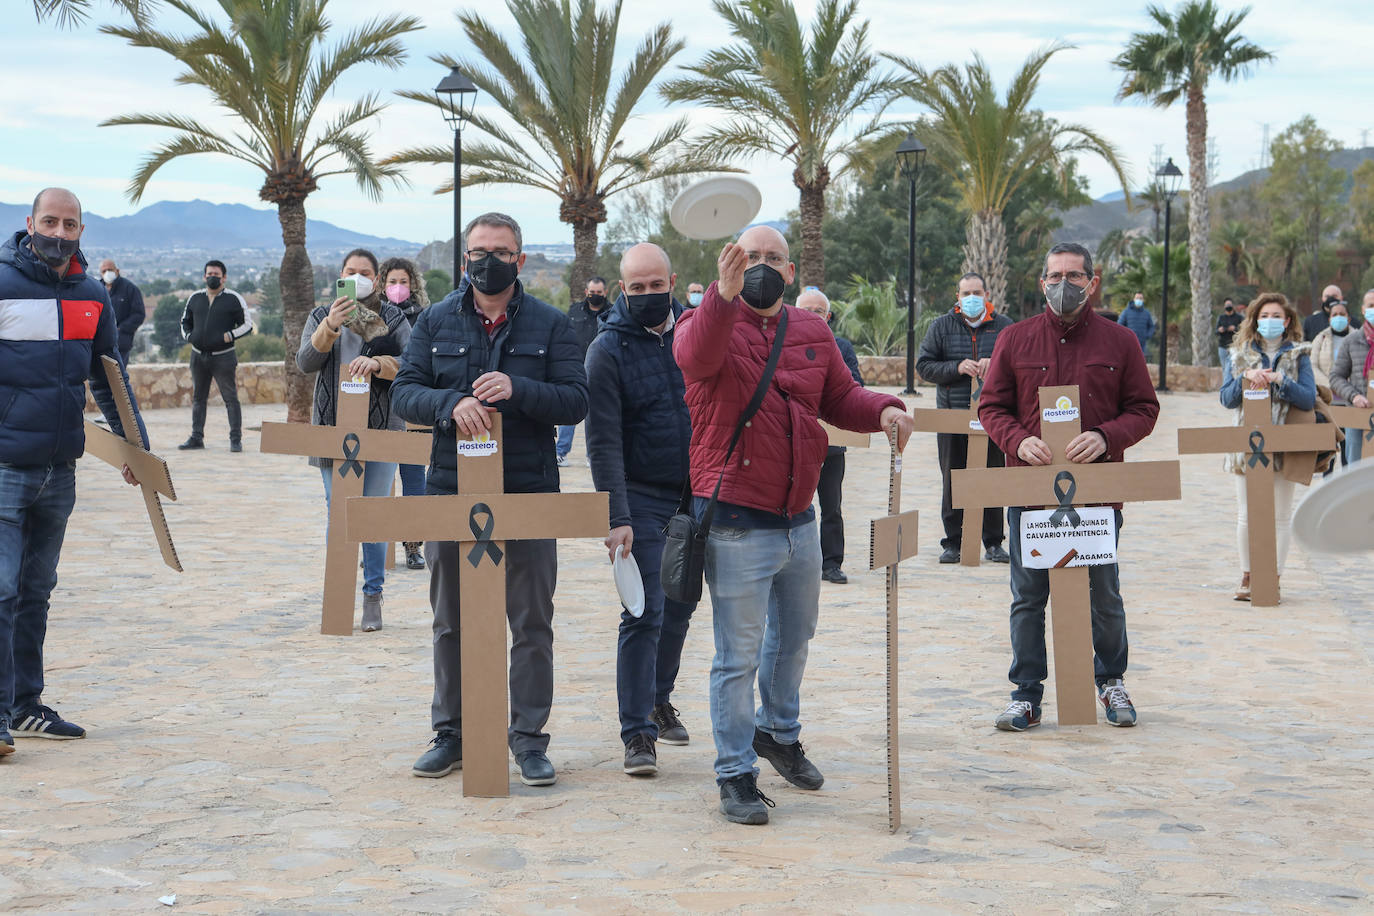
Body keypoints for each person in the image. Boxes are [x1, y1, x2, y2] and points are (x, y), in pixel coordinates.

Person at [674, 225, 912, 826]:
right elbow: (695, 359)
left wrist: (885, 408)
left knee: (795, 638)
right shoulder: (704, 321)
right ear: (731, 263)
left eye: (772, 258)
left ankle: (777, 732)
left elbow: (841, 398)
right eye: (750, 257)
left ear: (790, 268)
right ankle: (734, 772)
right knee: (738, 654)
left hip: (798, 519)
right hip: (734, 517)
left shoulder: (812, 331)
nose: (761, 267)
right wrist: (721, 299)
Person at [392, 212, 588, 788]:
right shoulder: (432, 321)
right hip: (451, 491)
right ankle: (450, 734)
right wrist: (450, 404)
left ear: (520, 260)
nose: (489, 260)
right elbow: (406, 391)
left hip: (529, 492)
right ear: (463, 260)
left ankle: (528, 740)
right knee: (449, 621)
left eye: (501, 251)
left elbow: (576, 399)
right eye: (479, 251)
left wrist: (520, 390)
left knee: (532, 622)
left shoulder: (551, 326)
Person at [979, 242, 1159, 733]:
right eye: (1055, 275)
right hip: (1031, 496)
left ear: (1092, 282)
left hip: (1098, 496)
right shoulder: (1015, 340)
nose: (1064, 284)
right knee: (1027, 596)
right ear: (1042, 282)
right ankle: (1026, 695)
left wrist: (1105, 436)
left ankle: (1111, 681)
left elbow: (1145, 409)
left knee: (1104, 593)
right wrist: (1018, 441)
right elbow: (990, 408)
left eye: (1075, 276)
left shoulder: (1120, 342)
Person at [1, 188, 147, 756]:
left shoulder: (92, 297)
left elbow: (112, 380)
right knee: (2, 589)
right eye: (49, 221)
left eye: (70, 224)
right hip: (6, 467)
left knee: (35, 591)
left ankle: (26, 706)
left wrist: (138, 449)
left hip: (60, 470)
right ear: (29, 222)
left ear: (81, 230)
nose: (58, 233)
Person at [585, 243, 697, 778]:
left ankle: (659, 697)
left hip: (699, 492)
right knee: (643, 611)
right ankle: (637, 734)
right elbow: (602, 441)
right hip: (641, 495)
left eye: (657, 286)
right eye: (637, 288)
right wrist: (617, 515)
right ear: (622, 288)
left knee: (680, 606)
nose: (648, 295)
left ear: (672, 281)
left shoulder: (697, 333)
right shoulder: (606, 350)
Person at [297, 249, 410, 632]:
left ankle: (373, 594)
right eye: (351, 272)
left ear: (376, 279)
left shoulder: (392, 319)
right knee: (340, 514)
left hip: (380, 431)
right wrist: (329, 325)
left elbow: (413, 364)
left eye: (365, 273)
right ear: (339, 276)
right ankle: (339, 591)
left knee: (373, 516)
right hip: (333, 433)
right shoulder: (320, 315)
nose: (358, 277)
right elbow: (305, 362)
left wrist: (380, 365)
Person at [1221, 293, 1316, 602]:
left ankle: (1273, 576)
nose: (1271, 321)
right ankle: (1248, 574)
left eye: (1277, 316)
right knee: (1246, 512)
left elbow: (1307, 398)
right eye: (1265, 315)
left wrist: (1279, 380)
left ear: (1287, 321)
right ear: (1255, 320)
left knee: (1281, 515)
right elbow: (1226, 399)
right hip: (1246, 442)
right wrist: (1246, 377)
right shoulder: (1238, 354)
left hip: (1285, 441)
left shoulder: (1300, 355)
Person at [916, 272, 1015, 565]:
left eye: (977, 292)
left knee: (992, 477)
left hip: (994, 417)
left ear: (987, 295)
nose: (972, 298)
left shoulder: (1005, 327)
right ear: (957, 298)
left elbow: (1018, 366)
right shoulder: (941, 327)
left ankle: (994, 542)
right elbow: (924, 366)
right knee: (953, 479)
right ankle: (953, 543)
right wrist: (957, 367)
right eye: (966, 293)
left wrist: (994, 364)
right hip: (952, 416)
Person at [796, 287, 863, 583]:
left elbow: (853, 385)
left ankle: (831, 563)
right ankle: (798, 563)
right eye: (807, 311)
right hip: (795, 443)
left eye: (819, 312)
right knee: (797, 504)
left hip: (833, 443)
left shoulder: (842, 347)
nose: (813, 317)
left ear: (828, 316)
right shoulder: (782, 344)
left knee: (831, 505)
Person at [378, 255, 431, 570]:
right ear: (382, 285)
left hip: (412, 412)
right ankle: (376, 545)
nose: (398, 288)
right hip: (380, 413)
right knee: (379, 484)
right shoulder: (369, 318)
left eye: (403, 282)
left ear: (413, 285)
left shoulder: (425, 318)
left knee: (415, 484)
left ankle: (413, 545)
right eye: (392, 282)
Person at [178, 259, 251, 452]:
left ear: (224, 277)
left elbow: (247, 324)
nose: (212, 277)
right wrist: (189, 336)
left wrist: (230, 336)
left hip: (224, 357)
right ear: (204, 276)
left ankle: (235, 439)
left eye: (216, 275)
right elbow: (185, 321)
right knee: (198, 398)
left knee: (230, 398)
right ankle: (196, 438)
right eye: (209, 274)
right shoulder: (195, 298)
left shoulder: (233, 299)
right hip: (198, 356)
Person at [558, 276, 610, 466]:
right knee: (569, 410)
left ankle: (593, 455)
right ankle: (561, 452)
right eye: (591, 292)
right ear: (586, 291)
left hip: (602, 370)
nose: (594, 295)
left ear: (605, 293)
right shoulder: (574, 311)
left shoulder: (613, 313)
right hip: (575, 368)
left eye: (598, 292)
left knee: (597, 414)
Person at [1330, 289, 1374, 466]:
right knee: (1355, 469)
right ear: (1363, 310)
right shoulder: (1351, 341)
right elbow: (1336, 377)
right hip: (1357, 416)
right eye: (1371, 305)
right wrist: (1354, 396)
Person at [1311, 299, 1352, 474]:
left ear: (1349, 318)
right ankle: (1328, 483)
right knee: (1329, 445)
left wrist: (1345, 387)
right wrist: (1331, 384)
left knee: (1348, 446)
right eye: (1335, 315)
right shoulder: (1321, 338)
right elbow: (1311, 365)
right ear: (1329, 319)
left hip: (1350, 401)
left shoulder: (1357, 337)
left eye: (1342, 314)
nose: (1338, 317)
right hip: (1329, 403)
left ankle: (1347, 484)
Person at [98, 258, 145, 367]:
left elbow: (138, 314)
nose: (107, 273)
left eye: (110, 270)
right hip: (99, 343)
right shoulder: (97, 289)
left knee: (118, 378)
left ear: (117, 271)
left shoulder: (130, 289)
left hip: (121, 344)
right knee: (98, 379)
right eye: (104, 271)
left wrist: (121, 328)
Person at [1117, 290, 1155, 354]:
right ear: (1134, 299)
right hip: (1129, 343)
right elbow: (1119, 326)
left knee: (1140, 362)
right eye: (1137, 298)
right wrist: (1125, 337)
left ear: (1143, 300)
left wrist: (1147, 335)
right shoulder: (1126, 312)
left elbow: (1151, 326)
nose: (1138, 300)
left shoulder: (1146, 313)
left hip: (1142, 344)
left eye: (1140, 298)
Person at [1216, 297, 1242, 369]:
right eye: (1226, 305)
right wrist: (1220, 330)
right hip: (1223, 346)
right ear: (1224, 306)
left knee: (1235, 367)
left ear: (1233, 305)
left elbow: (1244, 330)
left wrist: (1235, 329)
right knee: (1224, 367)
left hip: (1235, 346)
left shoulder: (1239, 317)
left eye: (1229, 304)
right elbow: (1216, 332)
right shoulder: (1221, 317)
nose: (1228, 306)